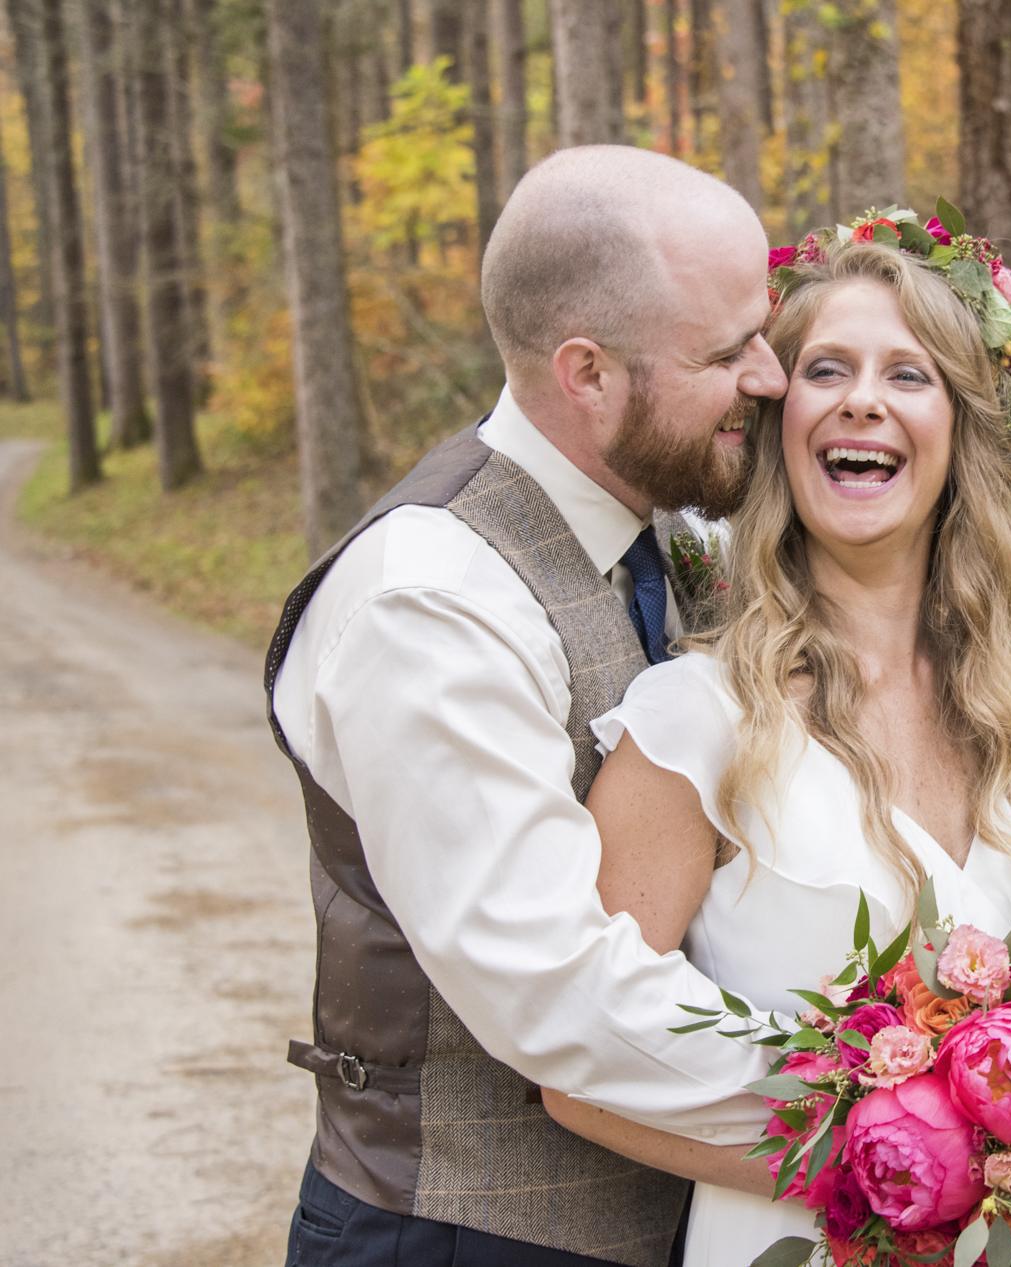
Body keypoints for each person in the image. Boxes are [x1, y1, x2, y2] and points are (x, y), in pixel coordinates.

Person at [536, 237, 1011, 1265]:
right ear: (779, 425)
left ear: (958, 433)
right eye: (826, 370)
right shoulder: (694, 723)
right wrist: (882, 1178)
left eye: (907, 374)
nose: (863, 400)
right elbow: (576, 1068)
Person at [266, 146, 795, 1267]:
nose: (772, 376)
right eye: (728, 350)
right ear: (588, 374)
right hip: (464, 1236)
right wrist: (880, 1103)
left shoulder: (673, 528)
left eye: (766, 331)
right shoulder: (433, 599)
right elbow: (553, 988)